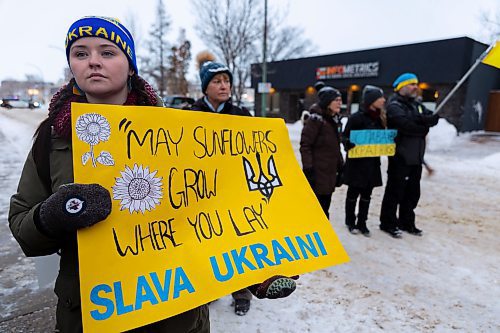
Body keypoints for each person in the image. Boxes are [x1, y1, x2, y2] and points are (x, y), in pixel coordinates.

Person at [8, 16, 211, 332]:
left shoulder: (178, 132)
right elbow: (22, 226)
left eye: (107, 52)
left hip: (175, 313)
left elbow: (218, 210)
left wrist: (259, 271)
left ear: (130, 66)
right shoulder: (52, 138)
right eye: (80, 53)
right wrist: (51, 215)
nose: (93, 62)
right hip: (91, 313)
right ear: (72, 67)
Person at [189, 51, 297, 316]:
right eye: (217, 81)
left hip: (236, 193)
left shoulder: (242, 115)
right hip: (203, 194)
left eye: (227, 80)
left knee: (237, 244)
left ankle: (241, 292)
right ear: (206, 87)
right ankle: (210, 288)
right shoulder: (190, 115)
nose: (224, 85)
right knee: (209, 245)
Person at [379, 73, 439, 238]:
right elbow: (405, 125)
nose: (415, 87)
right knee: (395, 191)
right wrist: (423, 125)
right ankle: (388, 223)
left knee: (412, 193)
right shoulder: (394, 105)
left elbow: (432, 119)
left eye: (416, 84)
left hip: (416, 157)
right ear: (401, 87)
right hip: (400, 156)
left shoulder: (417, 105)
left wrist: (427, 120)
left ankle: (407, 222)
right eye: (411, 84)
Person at [342, 85, 386, 237]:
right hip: (357, 164)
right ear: (371, 101)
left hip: (372, 163)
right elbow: (345, 136)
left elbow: (383, 139)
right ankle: (350, 221)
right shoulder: (356, 118)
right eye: (380, 97)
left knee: (367, 195)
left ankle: (362, 222)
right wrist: (348, 143)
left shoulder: (381, 118)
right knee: (353, 193)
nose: (383, 100)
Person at [300, 86, 344, 218]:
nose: (339, 103)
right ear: (327, 102)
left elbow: (335, 147)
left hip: (329, 174)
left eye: (340, 100)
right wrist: (309, 169)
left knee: (325, 207)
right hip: (317, 174)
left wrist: (341, 167)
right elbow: (305, 145)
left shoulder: (333, 120)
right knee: (316, 211)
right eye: (336, 100)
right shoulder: (315, 120)